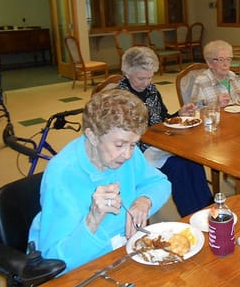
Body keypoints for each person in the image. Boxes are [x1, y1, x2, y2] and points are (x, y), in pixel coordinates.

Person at [28, 89, 171, 274]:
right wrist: (93, 220)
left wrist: (144, 200)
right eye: (119, 145)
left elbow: (160, 183)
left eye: (133, 144)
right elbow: (56, 262)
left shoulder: (126, 153)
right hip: (84, 264)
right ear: (93, 136)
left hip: (123, 252)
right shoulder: (62, 175)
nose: (128, 154)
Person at [117, 46, 213, 217]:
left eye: (150, 77)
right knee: (179, 167)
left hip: (161, 144)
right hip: (137, 152)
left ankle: (208, 207)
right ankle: (192, 215)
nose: (146, 83)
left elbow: (163, 118)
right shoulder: (120, 97)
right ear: (127, 73)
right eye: (141, 78)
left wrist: (179, 114)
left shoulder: (152, 90)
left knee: (193, 159)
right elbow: (121, 135)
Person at [190, 40, 240, 106]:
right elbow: (195, 112)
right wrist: (216, 104)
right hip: (217, 116)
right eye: (221, 60)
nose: (225, 64)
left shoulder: (232, 75)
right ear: (209, 63)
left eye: (228, 59)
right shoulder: (201, 81)